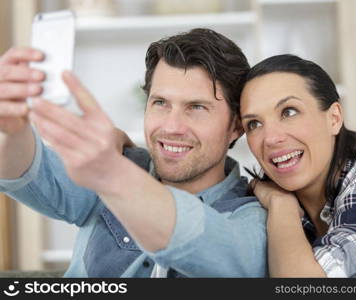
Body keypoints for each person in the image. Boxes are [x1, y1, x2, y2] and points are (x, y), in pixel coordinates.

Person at [0, 28, 267, 277]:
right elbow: (28, 173)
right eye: (160, 103)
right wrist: (12, 129)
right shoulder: (119, 162)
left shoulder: (252, 218)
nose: (171, 127)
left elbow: (212, 247)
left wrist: (114, 177)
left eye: (196, 107)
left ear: (236, 126)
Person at [240, 54, 356, 278]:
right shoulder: (257, 209)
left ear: (334, 118)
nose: (271, 138)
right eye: (253, 124)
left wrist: (281, 205)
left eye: (289, 112)